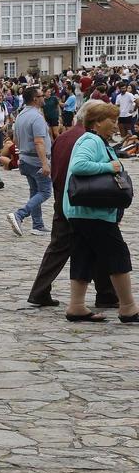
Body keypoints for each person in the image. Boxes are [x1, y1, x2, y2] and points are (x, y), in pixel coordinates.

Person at [28, 102, 118, 308]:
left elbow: (57, 167)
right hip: (83, 200)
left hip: (63, 196)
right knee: (100, 245)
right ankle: (106, 294)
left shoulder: (64, 136)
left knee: (65, 247)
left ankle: (41, 291)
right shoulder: (89, 140)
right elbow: (79, 168)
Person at [62, 103, 139, 323]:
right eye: (111, 121)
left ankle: (76, 306)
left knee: (84, 256)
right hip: (93, 212)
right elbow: (79, 166)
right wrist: (109, 167)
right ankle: (128, 307)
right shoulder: (92, 140)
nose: (115, 125)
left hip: (82, 211)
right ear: (96, 122)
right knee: (118, 255)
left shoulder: (94, 140)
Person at [6, 87, 53, 237]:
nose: (44, 97)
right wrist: (44, 163)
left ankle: (37, 225)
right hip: (36, 160)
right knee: (45, 192)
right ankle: (20, 214)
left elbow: (15, 139)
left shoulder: (20, 115)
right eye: (41, 95)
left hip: (25, 158)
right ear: (35, 99)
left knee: (35, 192)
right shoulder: (36, 117)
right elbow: (39, 142)